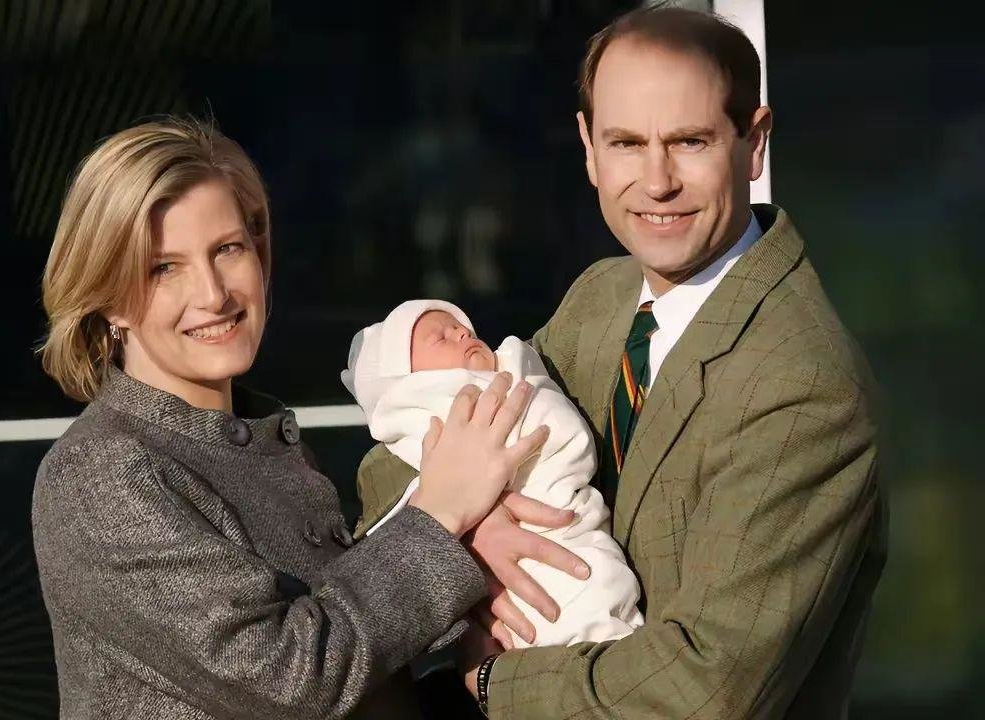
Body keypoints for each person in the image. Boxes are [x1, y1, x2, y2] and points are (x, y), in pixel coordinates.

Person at [355, 7, 887, 718]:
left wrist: (489, 681)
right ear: (588, 148)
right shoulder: (602, 298)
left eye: (690, 141)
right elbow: (406, 434)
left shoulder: (802, 385)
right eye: (626, 143)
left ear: (754, 142)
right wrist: (469, 530)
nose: (656, 181)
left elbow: (703, 693)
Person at [31, 116, 560, 720]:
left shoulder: (258, 441)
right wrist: (441, 518)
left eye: (227, 249)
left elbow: (360, 652)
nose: (213, 294)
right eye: (163, 268)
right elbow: (291, 678)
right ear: (109, 299)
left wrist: (471, 565)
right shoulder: (100, 475)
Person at [342, 299, 644, 649]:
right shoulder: (425, 417)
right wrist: (467, 525)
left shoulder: (521, 369)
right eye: (441, 338)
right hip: (530, 560)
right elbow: (406, 505)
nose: (461, 333)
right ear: (406, 380)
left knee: (600, 586)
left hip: (572, 520)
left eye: (462, 328)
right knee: (570, 604)